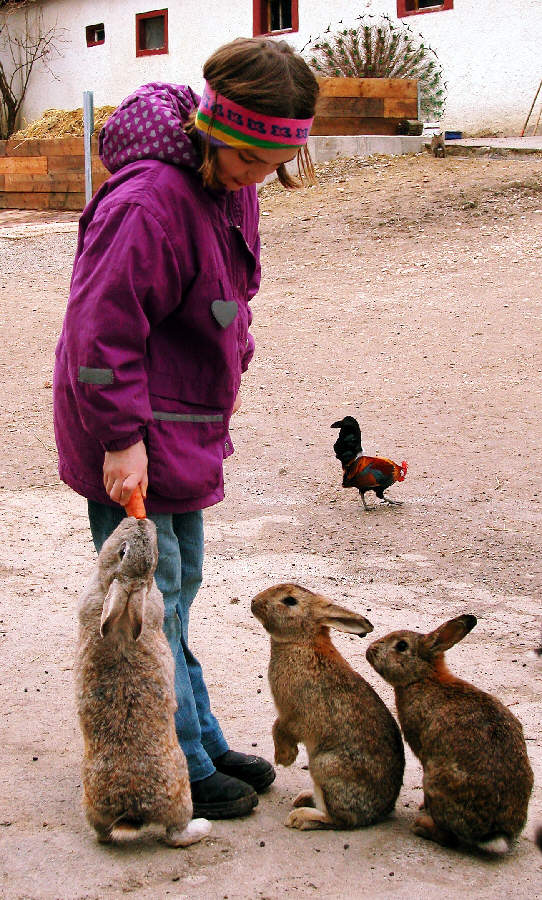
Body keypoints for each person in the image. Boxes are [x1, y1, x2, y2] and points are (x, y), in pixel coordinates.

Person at [53, 37, 319, 820]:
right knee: (152, 595)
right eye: (249, 162)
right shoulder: (146, 202)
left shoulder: (229, 183)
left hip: (183, 420)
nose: (258, 179)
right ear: (214, 130)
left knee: (181, 587)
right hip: (133, 429)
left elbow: (226, 284)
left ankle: (196, 731)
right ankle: (177, 755)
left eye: (272, 165)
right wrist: (120, 438)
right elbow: (97, 335)